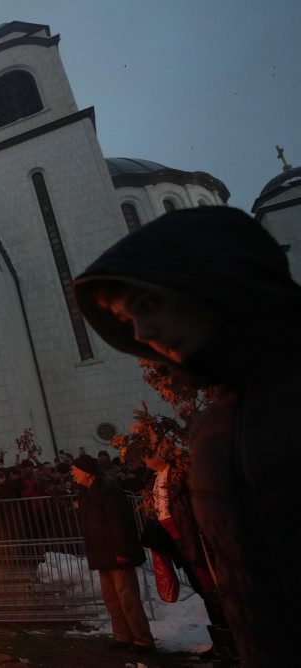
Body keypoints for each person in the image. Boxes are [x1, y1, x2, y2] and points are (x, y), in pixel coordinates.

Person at [74, 206, 300, 665]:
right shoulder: (216, 428)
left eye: (150, 304)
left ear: (218, 279)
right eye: (127, 318)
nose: (141, 332)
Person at [140, 453, 236, 662]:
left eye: (147, 455)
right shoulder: (154, 480)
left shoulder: (180, 477)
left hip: (195, 541)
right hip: (180, 545)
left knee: (213, 591)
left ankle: (233, 644)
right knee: (204, 592)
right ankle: (221, 643)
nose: (144, 461)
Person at [71, 454, 153, 652]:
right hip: (102, 553)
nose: (73, 475)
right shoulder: (85, 492)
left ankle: (142, 639)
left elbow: (118, 523)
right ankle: (123, 636)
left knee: (127, 597)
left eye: (75, 471)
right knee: (111, 598)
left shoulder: (109, 490)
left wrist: (121, 550)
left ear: (87, 473)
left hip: (116, 553)